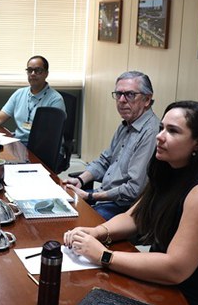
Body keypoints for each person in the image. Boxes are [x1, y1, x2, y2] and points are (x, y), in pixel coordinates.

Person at [63, 100, 198, 305]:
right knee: (76, 302)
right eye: (161, 128)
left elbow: (175, 268)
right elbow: (134, 217)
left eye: (173, 131)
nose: (159, 136)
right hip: (160, 286)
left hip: (186, 304)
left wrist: (104, 256)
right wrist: (96, 232)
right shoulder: (170, 170)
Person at [62, 71, 159, 220]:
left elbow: (134, 189)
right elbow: (104, 161)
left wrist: (90, 196)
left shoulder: (151, 133)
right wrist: (80, 180)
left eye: (130, 94)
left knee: (74, 224)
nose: (121, 100)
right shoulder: (126, 125)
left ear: (147, 99)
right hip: (106, 197)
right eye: (119, 94)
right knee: (59, 207)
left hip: (125, 207)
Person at [0, 55, 65, 144]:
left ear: (46, 73)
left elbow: (52, 134)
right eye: (30, 70)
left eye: (38, 70)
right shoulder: (20, 93)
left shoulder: (55, 100)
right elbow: (0, 117)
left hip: (42, 146)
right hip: (20, 142)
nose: (33, 74)